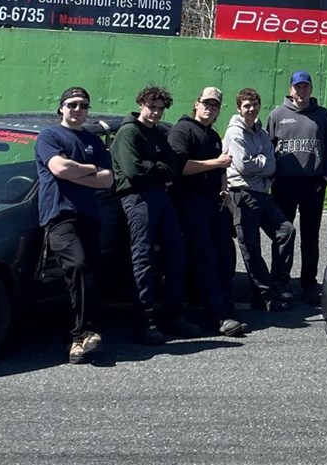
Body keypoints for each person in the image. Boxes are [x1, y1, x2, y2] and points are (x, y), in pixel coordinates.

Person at [112, 84, 200, 344]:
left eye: (161, 109)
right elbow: (133, 171)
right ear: (141, 104)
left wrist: (155, 167)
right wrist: (158, 167)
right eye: (152, 107)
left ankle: (172, 315)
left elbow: (173, 168)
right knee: (143, 257)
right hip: (137, 198)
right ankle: (143, 321)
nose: (156, 113)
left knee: (176, 252)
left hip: (160, 197)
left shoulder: (160, 134)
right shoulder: (129, 133)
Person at [35, 87, 114, 365]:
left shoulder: (94, 141)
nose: (78, 110)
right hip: (59, 215)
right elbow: (59, 169)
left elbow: (107, 180)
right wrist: (90, 169)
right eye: (72, 104)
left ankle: (85, 337)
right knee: (77, 266)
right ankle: (82, 334)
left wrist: (78, 171)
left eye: (83, 106)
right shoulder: (50, 136)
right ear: (61, 108)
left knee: (88, 274)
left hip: (90, 215)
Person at [168, 87, 247, 338]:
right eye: (206, 104)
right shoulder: (182, 130)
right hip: (191, 205)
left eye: (214, 106)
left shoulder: (212, 135)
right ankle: (218, 317)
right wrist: (217, 163)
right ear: (196, 103)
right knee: (206, 260)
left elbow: (221, 171)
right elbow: (179, 167)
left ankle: (227, 310)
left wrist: (223, 189)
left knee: (225, 257)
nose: (209, 109)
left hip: (215, 204)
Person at [269, 70, 327, 306]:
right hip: (284, 183)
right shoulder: (277, 115)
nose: (301, 91)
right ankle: (280, 282)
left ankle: (309, 284)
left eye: (305, 86)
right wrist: (271, 179)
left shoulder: (322, 116)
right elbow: (268, 149)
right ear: (291, 89)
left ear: (311, 89)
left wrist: (326, 177)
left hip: (313, 184)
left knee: (311, 236)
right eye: (297, 86)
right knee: (283, 235)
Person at [224, 87, 296, 312]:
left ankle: (278, 283)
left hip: (263, 194)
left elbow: (271, 164)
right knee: (251, 247)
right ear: (239, 108)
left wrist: (261, 162)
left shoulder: (263, 133)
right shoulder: (234, 133)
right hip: (242, 194)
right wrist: (263, 162)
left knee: (286, 231)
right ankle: (264, 296)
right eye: (246, 105)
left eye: (254, 105)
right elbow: (244, 165)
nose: (251, 109)